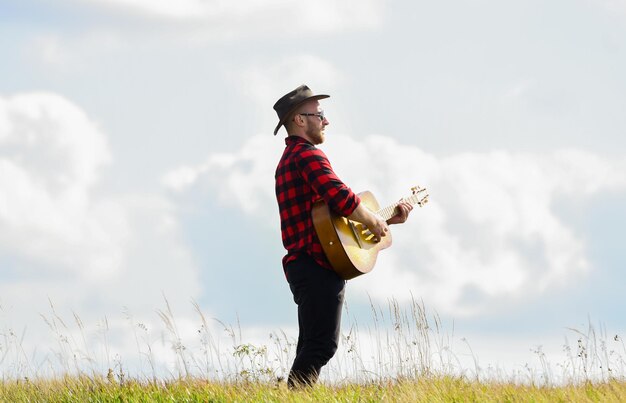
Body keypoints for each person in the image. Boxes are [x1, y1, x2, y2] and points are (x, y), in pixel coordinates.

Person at [273, 85, 413, 388]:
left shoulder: (288, 160)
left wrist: (385, 221)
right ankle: (294, 396)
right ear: (299, 120)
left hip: (305, 265)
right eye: (320, 114)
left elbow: (332, 225)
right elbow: (339, 197)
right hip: (316, 266)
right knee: (321, 345)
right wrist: (374, 219)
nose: (326, 121)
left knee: (312, 343)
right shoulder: (308, 156)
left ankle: (295, 395)